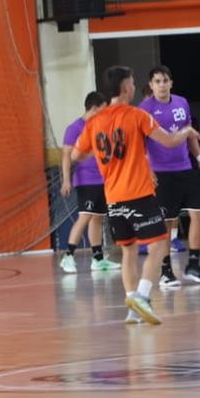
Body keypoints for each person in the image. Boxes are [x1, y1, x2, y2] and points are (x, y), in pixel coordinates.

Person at [71, 66, 196, 325]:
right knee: (159, 244)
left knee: (128, 251)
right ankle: (143, 296)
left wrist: (99, 153)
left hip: (113, 198)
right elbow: (169, 141)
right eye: (132, 82)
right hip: (138, 194)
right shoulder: (137, 115)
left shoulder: (94, 122)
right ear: (126, 87)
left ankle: (132, 307)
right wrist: (186, 131)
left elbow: (76, 155)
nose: (135, 86)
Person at [140, 66, 200, 288]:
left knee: (199, 214)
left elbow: (190, 135)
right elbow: (139, 144)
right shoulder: (145, 109)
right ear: (151, 85)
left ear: (171, 83)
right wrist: (147, 169)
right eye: (157, 81)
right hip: (161, 173)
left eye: (165, 80)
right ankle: (166, 272)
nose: (162, 85)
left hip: (185, 168)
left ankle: (194, 265)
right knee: (167, 222)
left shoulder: (182, 103)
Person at [58, 92, 115, 274]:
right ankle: (68, 256)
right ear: (94, 108)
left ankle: (98, 259)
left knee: (97, 218)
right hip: (86, 180)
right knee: (85, 216)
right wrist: (66, 180)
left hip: (102, 179)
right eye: (103, 109)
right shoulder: (74, 128)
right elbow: (66, 156)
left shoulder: (101, 126)